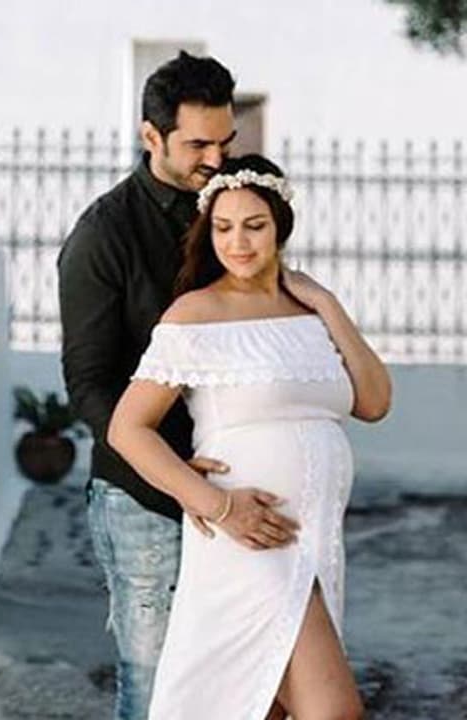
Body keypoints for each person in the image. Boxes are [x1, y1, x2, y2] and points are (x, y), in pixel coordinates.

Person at [58, 52, 300, 719]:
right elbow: (88, 383)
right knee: (158, 688)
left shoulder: (231, 210)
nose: (216, 159)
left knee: (247, 683)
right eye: (197, 145)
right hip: (144, 501)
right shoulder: (102, 236)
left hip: (245, 485)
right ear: (151, 136)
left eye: (226, 142)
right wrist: (175, 474)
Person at [107, 154, 392, 719]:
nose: (237, 243)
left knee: (262, 707)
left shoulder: (309, 311)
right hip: (249, 540)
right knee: (333, 711)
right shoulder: (196, 314)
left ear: (280, 228)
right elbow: (127, 429)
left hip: (314, 538)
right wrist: (215, 504)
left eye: (254, 226)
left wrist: (326, 303)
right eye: (223, 227)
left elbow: (374, 401)